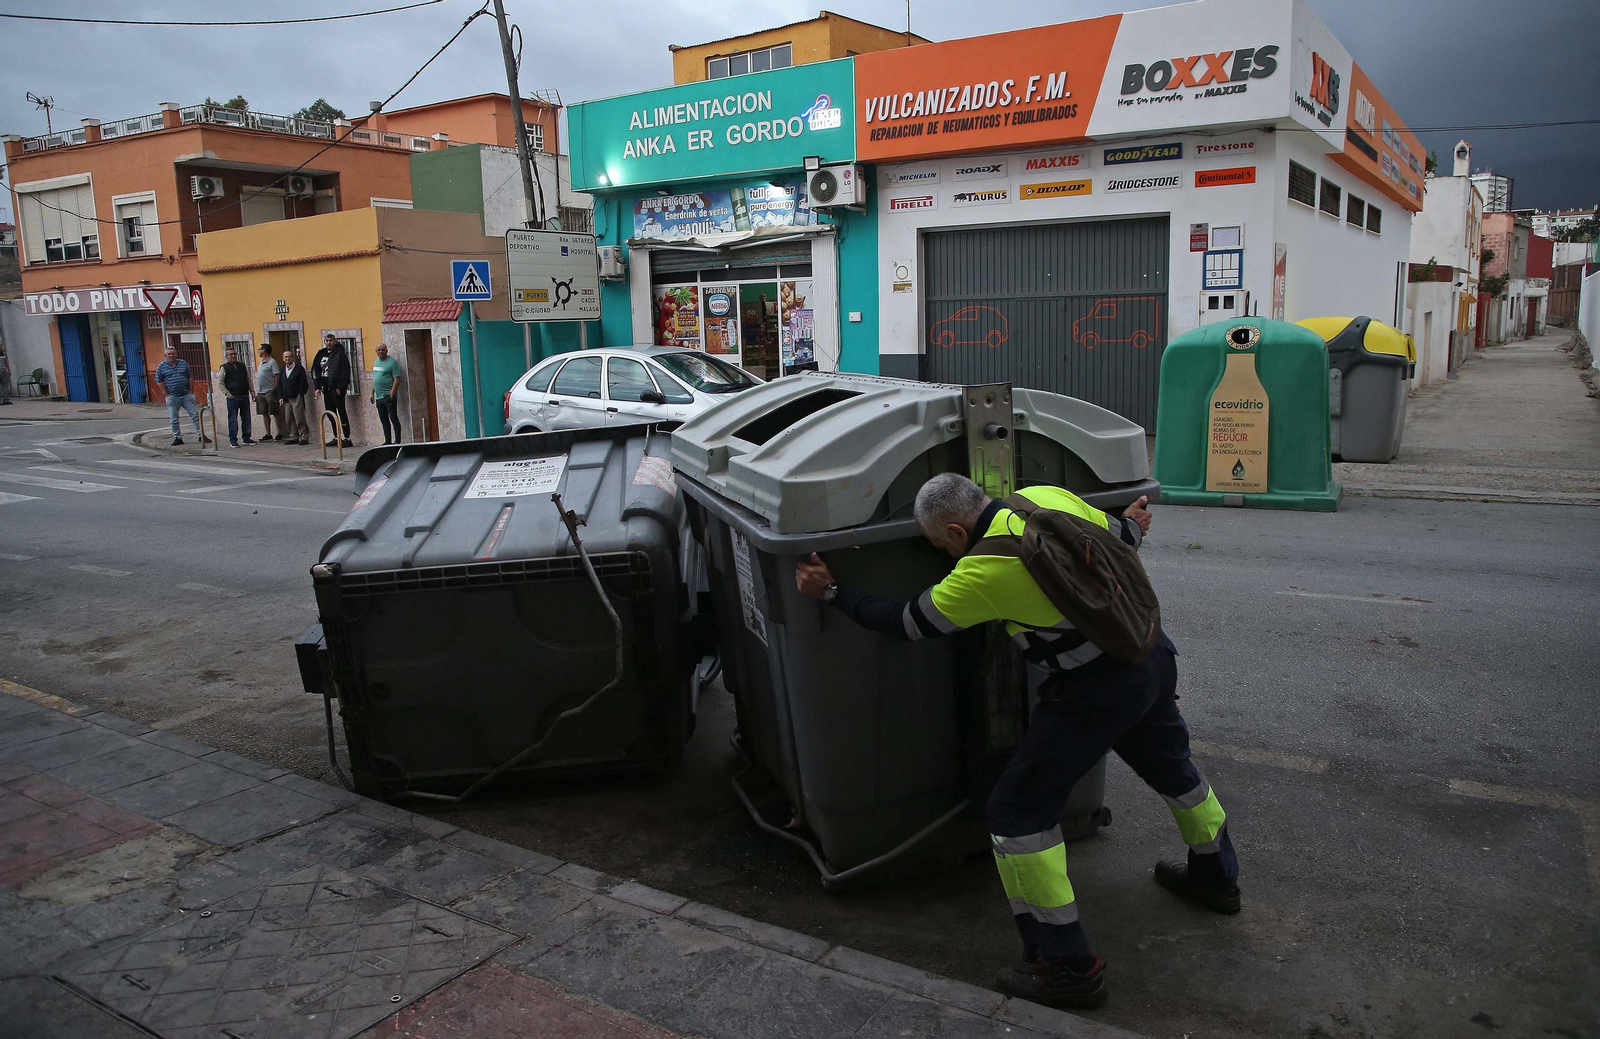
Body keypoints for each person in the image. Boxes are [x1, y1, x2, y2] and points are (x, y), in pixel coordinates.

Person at [794, 474, 1238, 1010]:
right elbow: (1120, 536)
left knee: (1017, 814)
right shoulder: (1046, 497)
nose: (946, 556)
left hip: (1095, 691)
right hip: (1147, 654)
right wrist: (1135, 523)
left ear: (957, 529)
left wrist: (833, 591)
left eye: (942, 545)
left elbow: (909, 622)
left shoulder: (984, 571)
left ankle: (1068, 966)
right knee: (1174, 770)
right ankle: (1216, 878)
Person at [153, 345, 209, 446]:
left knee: (195, 415)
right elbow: (159, 381)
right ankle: (177, 437)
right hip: (172, 396)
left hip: (187, 395)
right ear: (165, 355)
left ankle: (201, 436)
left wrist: (191, 391)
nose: (171, 355)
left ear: (176, 354)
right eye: (169, 354)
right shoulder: (161, 366)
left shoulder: (183, 363)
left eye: (173, 354)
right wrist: (166, 394)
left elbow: (190, 377)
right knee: (174, 418)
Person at [311, 333, 352, 448]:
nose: (329, 343)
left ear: (335, 341)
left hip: (336, 389)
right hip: (325, 388)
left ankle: (347, 437)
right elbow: (315, 370)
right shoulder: (321, 353)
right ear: (324, 341)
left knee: (341, 412)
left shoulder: (340, 354)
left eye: (331, 340)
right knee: (330, 413)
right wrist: (317, 387)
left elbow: (345, 372)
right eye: (327, 340)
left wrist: (340, 387)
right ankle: (336, 436)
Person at [218, 346, 256, 447]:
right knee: (233, 419)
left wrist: (252, 392)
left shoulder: (242, 366)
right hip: (233, 397)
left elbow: (248, 379)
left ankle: (246, 438)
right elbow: (220, 383)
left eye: (234, 354)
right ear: (227, 356)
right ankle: (233, 439)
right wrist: (228, 394)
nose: (233, 356)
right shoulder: (224, 367)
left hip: (244, 395)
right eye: (231, 354)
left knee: (246, 418)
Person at [369, 341, 403, 445]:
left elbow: (397, 379)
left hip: (388, 396)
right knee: (384, 420)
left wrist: (391, 395)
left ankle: (397, 441)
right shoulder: (375, 362)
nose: (381, 352)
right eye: (378, 350)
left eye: (383, 350)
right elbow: (375, 379)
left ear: (386, 351)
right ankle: (387, 441)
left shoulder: (392, 362)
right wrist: (372, 393)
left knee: (393, 418)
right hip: (378, 397)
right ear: (376, 351)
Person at [277, 348, 310, 445]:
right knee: (288, 418)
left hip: (296, 396)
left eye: (289, 356)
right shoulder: (283, 369)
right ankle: (293, 436)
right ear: (283, 358)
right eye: (286, 357)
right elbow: (281, 383)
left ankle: (304, 436)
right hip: (287, 398)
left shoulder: (299, 368)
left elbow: (304, 383)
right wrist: (281, 396)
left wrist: (300, 393)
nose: (287, 358)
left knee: (299, 417)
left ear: (292, 358)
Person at [255, 344, 282, 441]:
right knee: (264, 413)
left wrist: (273, 390)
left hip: (269, 391)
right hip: (261, 392)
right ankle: (268, 434)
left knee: (274, 412)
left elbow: (276, 377)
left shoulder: (272, 362)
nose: (258, 351)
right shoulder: (261, 362)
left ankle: (280, 433)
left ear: (264, 350)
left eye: (260, 349)